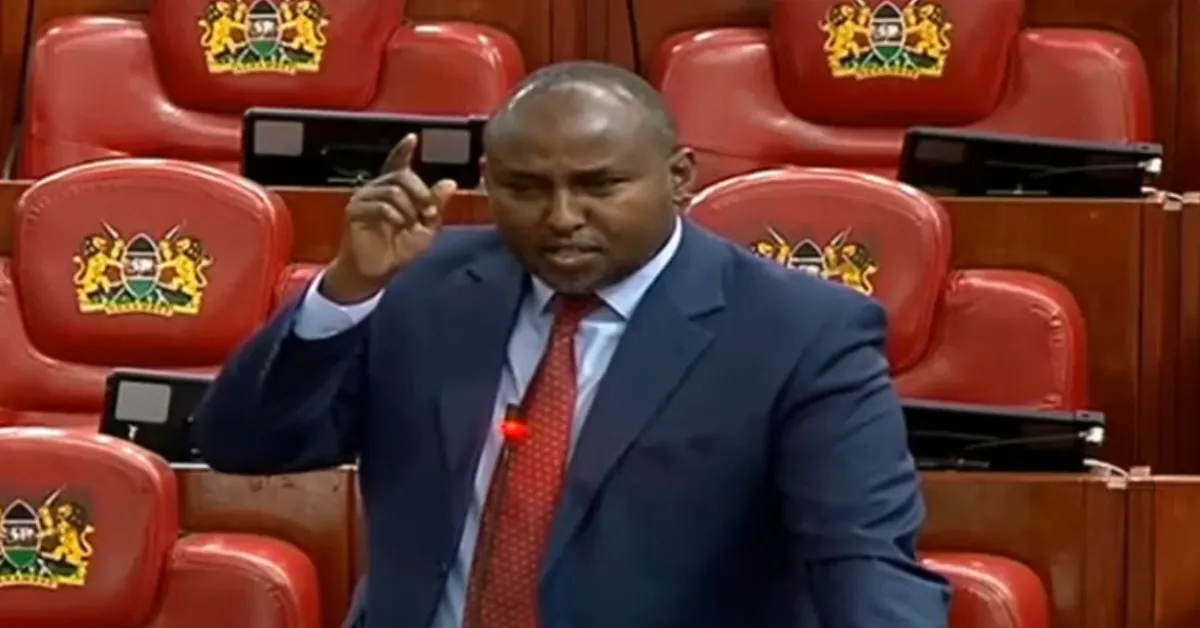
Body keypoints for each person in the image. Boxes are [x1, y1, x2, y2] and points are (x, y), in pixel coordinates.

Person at [193, 61, 950, 627]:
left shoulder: (799, 332)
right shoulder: (424, 286)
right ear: (488, 180)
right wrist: (348, 290)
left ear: (679, 177)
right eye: (526, 188)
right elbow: (245, 444)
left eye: (599, 186)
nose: (561, 217)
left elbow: (861, 557)